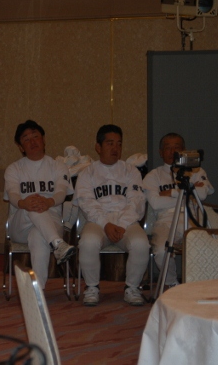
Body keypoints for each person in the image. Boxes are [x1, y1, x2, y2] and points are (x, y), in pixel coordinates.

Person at [75, 124, 148, 306]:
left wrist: (122, 224)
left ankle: (132, 288)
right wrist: (106, 223)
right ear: (98, 147)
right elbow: (86, 203)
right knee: (88, 242)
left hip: (127, 221)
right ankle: (92, 287)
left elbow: (137, 201)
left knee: (141, 243)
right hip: (98, 221)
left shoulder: (131, 171)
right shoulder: (87, 173)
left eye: (119, 144)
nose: (115, 148)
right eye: (110, 143)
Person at [4, 120, 76, 290]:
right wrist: (24, 203)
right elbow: (13, 195)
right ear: (21, 147)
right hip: (20, 224)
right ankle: (58, 244)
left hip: (51, 222)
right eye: (26, 139)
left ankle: (38, 291)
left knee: (38, 236)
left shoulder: (58, 166)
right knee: (33, 205)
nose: (32, 141)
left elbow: (61, 193)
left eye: (35, 136)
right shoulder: (14, 169)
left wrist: (48, 202)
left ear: (43, 139)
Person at [143, 133, 214, 288]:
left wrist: (172, 192)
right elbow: (156, 203)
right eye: (167, 148)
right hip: (165, 221)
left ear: (183, 150)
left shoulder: (196, 171)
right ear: (161, 152)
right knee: (161, 251)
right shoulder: (153, 176)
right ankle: (172, 284)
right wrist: (189, 193)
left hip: (191, 217)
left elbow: (202, 194)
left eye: (176, 147)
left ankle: (197, 286)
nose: (172, 152)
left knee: (203, 247)